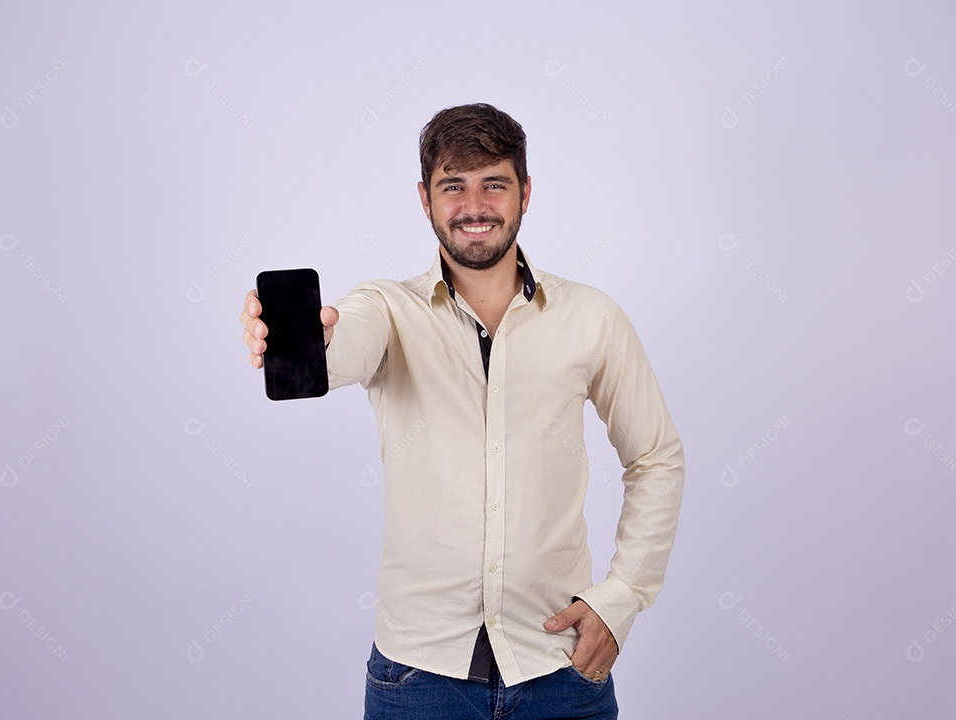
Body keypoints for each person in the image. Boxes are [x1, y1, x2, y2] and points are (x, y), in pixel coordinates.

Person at [240, 103, 684, 719]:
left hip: (560, 668)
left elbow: (655, 457)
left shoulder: (592, 318)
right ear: (425, 198)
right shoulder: (386, 309)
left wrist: (624, 596)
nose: (475, 206)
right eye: (454, 185)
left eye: (493, 184)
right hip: (418, 679)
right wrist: (314, 339)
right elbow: (348, 343)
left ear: (525, 193)